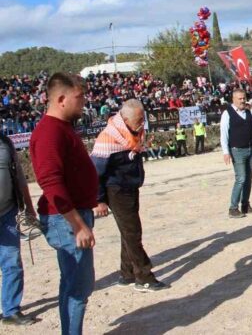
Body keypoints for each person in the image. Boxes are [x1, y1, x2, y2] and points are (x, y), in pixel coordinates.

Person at [30, 72, 98, 335]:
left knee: (73, 284)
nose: (84, 103)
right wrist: (78, 225)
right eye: (79, 97)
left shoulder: (62, 128)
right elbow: (51, 183)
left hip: (71, 216)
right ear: (61, 99)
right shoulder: (49, 132)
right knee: (78, 288)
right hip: (66, 220)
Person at [91, 100, 169, 293]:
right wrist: (99, 200)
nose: (142, 123)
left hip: (130, 186)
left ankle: (126, 274)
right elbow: (95, 173)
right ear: (125, 119)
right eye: (138, 120)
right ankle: (144, 276)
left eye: (143, 119)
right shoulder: (108, 138)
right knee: (133, 232)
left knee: (128, 231)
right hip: (115, 189)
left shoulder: (134, 132)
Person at [0, 135, 40, 326]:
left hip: (7, 212)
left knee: (12, 262)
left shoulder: (5, 142)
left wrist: (29, 207)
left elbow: (19, 176)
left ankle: (10, 310)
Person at [220, 89, 252, 218]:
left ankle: (245, 204)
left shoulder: (249, 112)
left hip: (251, 149)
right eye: (239, 98)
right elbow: (224, 134)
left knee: (248, 179)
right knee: (241, 178)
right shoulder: (227, 113)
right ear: (233, 99)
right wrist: (226, 152)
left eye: (244, 98)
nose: (242, 100)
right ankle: (233, 208)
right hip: (237, 150)